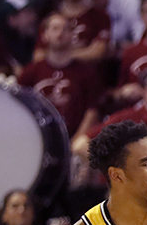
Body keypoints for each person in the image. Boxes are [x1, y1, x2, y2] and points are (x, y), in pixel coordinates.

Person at [18, 13, 102, 143]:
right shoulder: (30, 72)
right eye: (55, 28)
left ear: (72, 35)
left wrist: (75, 142)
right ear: (45, 35)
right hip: (38, 139)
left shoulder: (86, 73)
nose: (60, 33)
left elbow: (92, 112)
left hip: (74, 139)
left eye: (66, 28)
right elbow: (20, 109)